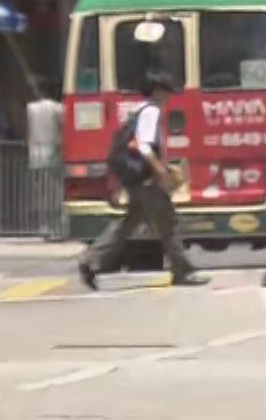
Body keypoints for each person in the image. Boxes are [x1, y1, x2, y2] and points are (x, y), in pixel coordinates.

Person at [78, 71, 201, 289]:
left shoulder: (139, 110)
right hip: (146, 179)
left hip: (137, 178)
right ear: (156, 92)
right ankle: (183, 271)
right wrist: (161, 172)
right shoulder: (151, 112)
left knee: (128, 223)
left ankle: (91, 259)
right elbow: (144, 146)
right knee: (168, 223)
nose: (168, 97)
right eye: (165, 92)